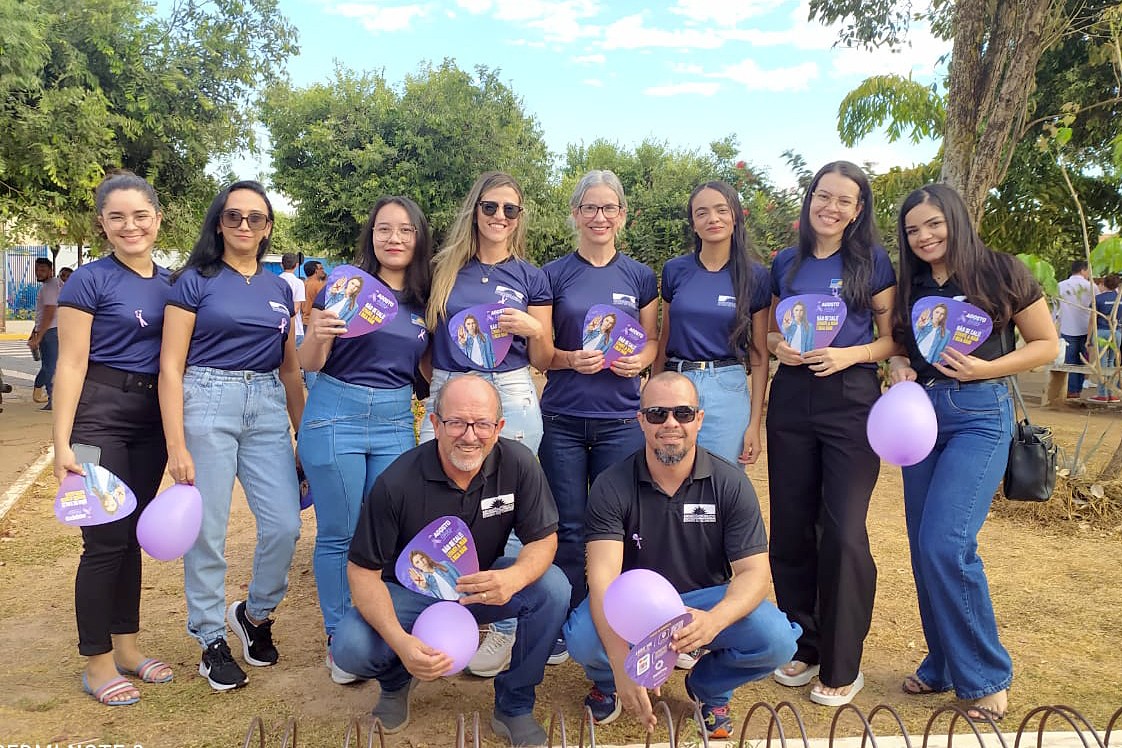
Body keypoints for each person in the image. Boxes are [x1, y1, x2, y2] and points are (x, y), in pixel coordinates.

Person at [888, 183, 1058, 722]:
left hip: (981, 416)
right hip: (921, 417)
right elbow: (899, 345)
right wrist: (897, 367)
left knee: (946, 541)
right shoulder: (910, 284)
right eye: (913, 230)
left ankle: (985, 676)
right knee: (922, 545)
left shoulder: (1000, 271)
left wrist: (987, 369)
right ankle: (942, 663)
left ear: (956, 219)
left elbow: (1046, 344)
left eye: (933, 224)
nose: (924, 236)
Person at [330, 374, 570, 747]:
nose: (470, 435)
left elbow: (543, 539)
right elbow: (362, 573)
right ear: (435, 423)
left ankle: (515, 706)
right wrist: (401, 643)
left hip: (478, 589)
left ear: (499, 426)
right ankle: (395, 683)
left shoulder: (519, 463)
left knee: (553, 587)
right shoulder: (396, 483)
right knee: (350, 646)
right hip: (410, 594)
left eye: (482, 424)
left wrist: (515, 577)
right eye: (457, 422)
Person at [563, 373, 799, 739]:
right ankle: (610, 682)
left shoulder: (730, 483)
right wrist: (620, 663)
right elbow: (603, 580)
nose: (671, 424)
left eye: (683, 413)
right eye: (657, 414)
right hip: (634, 609)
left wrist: (715, 621)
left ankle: (708, 688)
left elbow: (754, 572)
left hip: (702, 603)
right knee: (582, 636)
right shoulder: (612, 484)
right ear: (641, 420)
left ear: (699, 419)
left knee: (778, 640)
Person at [160, 180, 305, 691]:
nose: (245, 225)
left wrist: (301, 433)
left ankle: (254, 614)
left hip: (266, 402)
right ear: (218, 222)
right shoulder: (194, 281)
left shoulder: (280, 289)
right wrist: (176, 444)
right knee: (209, 530)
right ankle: (209, 640)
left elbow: (289, 370)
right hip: (207, 399)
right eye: (234, 216)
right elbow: (171, 367)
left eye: (256, 218)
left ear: (268, 228)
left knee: (285, 524)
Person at [765, 161, 897, 707]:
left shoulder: (874, 261)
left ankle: (843, 665)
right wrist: (779, 348)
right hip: (793, 398)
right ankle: (805, 643)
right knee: (791, 528)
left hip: (851, 400)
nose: (832, 207)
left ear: (858, 209)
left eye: (845, 200)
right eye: (824, 196)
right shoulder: (785, 262)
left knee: (842, 531)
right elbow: (771, 330)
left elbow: (894, 339)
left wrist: (852, 354)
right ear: (810, 198)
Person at [421, 171, 554, 677]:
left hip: (513, 390)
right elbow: (427, 349)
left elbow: (543, 357)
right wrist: (444, 386)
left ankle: (504, 623)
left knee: (512, 500)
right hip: (451, 386)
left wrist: (533, 328)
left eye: (510, 210)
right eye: (490, 207)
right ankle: (444, 612)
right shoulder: (443, 269)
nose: (500, 217)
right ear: (474, 210)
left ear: (520, 218)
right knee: (439, 498)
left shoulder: (530, 276)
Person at [297, 196, 433, 684]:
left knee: (391, 533)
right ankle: (339, 638)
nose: (394, 239)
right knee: (341, 532)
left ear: (419, 239)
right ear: (370, 236)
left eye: (405, 231)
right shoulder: (344, 285)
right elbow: (310, 362)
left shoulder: (424, 300)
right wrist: (316, 332)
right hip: (336, 414)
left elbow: (429, 368)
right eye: (384, 229)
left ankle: (382, 627)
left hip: (397, 419)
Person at [52, 171, 173, 706]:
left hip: (151, 421)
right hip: (99, 418)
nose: (131, 226)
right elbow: (71, 365)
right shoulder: (89, 281)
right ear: (102, 223)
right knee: (103, 540)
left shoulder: (172, 282)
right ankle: (96, 662)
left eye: (140, 215)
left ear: (157, 219)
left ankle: (127, 647)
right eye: (117, 217)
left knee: (131, 537)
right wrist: (62, 444)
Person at [540, 170, 659, 664]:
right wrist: (571, 359)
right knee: (566, 526)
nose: (599, 216)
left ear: (622, 216)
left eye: (609, 208)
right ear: (575, 214)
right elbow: (541, 353)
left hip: (620, 420)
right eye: (590, 207)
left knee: (620, 526)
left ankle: (616, 618)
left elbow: (653, 340)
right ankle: (568, 622)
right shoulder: (553, 273)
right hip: (563, 418)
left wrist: (642, 359)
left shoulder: (640, 276)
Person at [653, 180, 771, 467]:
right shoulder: (675, 270)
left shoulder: (755, 276)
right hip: (676, 384)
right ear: (693, 223)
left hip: (727, 389)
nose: (713, 219)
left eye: (721, 210)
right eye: (702, 212)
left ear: (735, 216)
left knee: (723, 482)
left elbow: (759, 355)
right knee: (669, 477)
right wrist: (651, 396)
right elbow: (664, 337)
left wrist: (754, 424)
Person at [1056, 260, 1094, 399]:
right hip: (1085, 329)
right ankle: (1077, 388)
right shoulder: (1091, 287)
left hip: (1067, 327)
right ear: (1083, 270)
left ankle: (1072, 390)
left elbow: (1055, 309)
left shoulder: (1060, 286)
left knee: (1070, 360)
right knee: (1083, 359)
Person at [29, 257, 61, 410]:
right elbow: (42, 314)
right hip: (51, 330)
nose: (38, 273)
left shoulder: (49, 287)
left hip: (50, 331)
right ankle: (41, 390)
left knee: (50, 367)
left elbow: (49, 312)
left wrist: (40, 335)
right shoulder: (53, 284)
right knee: (49, 365)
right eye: (37, 270)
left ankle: (54, 400)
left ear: (51, 271)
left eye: (42, 270)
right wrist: (34, 332)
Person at [1090, 274, 1121, 402]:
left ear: (1104, 284)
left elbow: (1092, 320)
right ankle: (1112, 393)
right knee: (1113, 361)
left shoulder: (1097, 299)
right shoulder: (1119, 299)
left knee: (1101, 362)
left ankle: (1102, 394)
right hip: (1117, 332)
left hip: (1101, 332)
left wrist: (1088, 338)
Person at [278, 253, 306, 346]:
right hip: (295, 328)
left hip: (278, 327)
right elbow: (296, 308)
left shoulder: (275, 281)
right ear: (297, 265)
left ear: (281, 265)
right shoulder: (298, 283)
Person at [302, 260, 326, 327]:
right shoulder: (318, 285)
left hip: (304, 321)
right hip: (315, 322)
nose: (323, 270)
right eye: (321, 268)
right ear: (316, 271)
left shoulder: (304, 284)